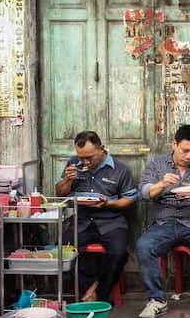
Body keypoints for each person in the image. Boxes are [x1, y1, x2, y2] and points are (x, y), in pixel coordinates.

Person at [134, 124, 190, 318]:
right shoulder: (157, 165)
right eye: (185, 150)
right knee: (144, 245)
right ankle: (157, 300)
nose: (189, 156)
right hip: (164, 222)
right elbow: (144, 193)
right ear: (174, 144)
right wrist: (161, 184)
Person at [56, 130, 137, 304]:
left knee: (119, 252)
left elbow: (130, 198)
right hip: (81, 220)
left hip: (111, 220)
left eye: (89, 158)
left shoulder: (119, 169)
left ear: (101, 148)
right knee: (64, 248)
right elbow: (60, 193)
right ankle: (89, 289)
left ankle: (99, 292)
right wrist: (68, 180)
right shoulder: (73, 164)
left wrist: (109, 204)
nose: (85, 162)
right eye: (81, 157)